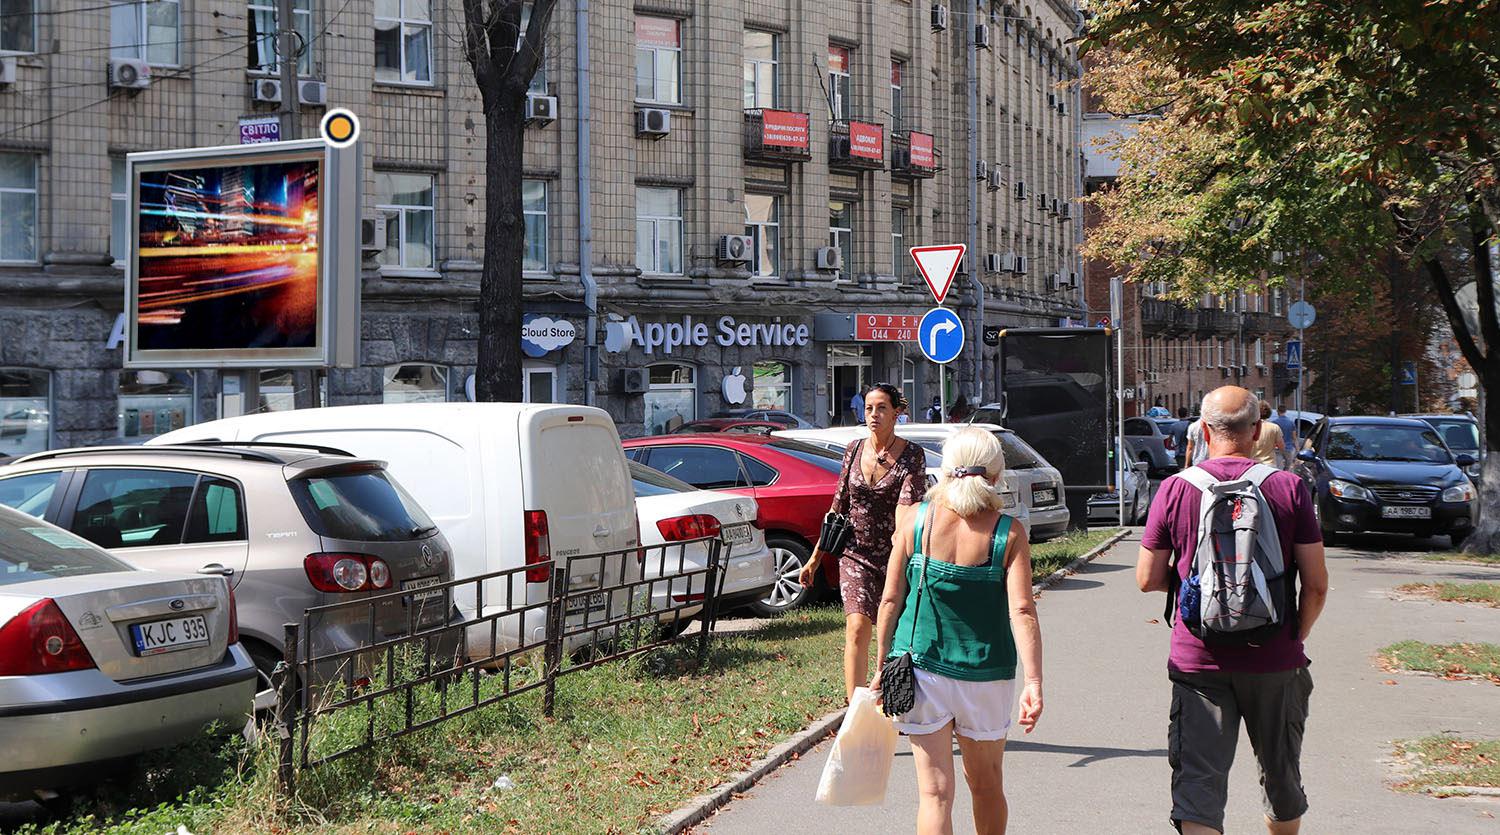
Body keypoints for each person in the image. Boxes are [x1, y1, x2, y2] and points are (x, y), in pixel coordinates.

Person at [1136, 387, 1330, 835]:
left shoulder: (1175, 489)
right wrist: (1292, 636)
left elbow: (1147, 578)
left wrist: (1194, 588)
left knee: (1199, 787)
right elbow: (1316, 585)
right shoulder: (1289, 488)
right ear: (1258, 430)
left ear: (1204, 430)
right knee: (1281, 779)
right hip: (1275, 658)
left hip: (1198, 660)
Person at [872, 427, 1043, 835]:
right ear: (997, 475)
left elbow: (891, 601)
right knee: (986, 787)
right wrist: (1034, 681)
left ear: (945, 471)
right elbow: (1022, 610)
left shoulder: (915, 521)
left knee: (934, 794)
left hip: (921, 669)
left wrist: (880, 667)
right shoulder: (1007, 533)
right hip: (986, 676)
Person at [800, 383, 928, 700]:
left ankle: (895, 701)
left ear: (897, 412)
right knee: (857, 627)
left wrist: (903, 554)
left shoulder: (912, 455)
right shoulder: (854, 449)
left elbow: (908, 510)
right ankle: (854, 710)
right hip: (855, 553)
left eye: (881, 408)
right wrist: (815, 558)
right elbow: (838, 506)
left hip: (897, 556)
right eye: (869, 408)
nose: (874, 415)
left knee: (896, 634)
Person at [1249, 400, 1288, 469]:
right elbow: (1282, 447)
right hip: (1269, 465)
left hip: (1252, 464)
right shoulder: (1274, 427)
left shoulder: (1249, 427)